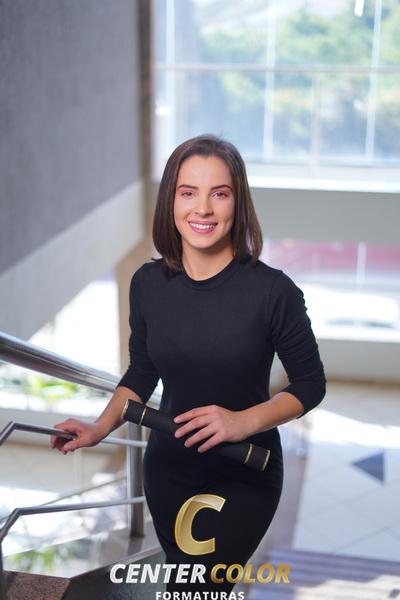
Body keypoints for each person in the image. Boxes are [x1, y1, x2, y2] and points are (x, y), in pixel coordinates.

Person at [51, 134, 326, 597]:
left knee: (201, 591)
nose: (203, 209)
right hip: (169, 469)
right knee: (182, 585)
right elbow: (142, 371)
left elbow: (310, 383)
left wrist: (242, 421)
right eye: (187, 192)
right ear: (171, 201)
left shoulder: (274, 292)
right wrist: (100, 427)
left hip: (244, 469)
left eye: (219, 193)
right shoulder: (147, 284)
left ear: (237, 203)